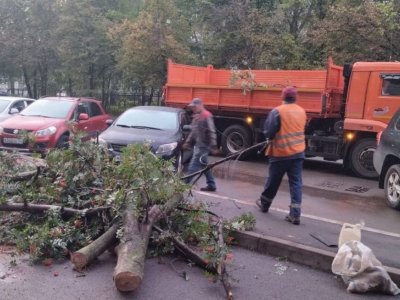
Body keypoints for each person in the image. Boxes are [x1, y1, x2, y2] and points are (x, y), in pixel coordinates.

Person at [256, 86, 306, 225]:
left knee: (273, 180)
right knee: (296, 183)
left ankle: (264, 204)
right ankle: (295, 215)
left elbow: (269, 131)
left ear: (282, 97)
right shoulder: (301, 111)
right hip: (298, 153)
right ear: (295, 98)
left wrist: (268, 137)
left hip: (281, 153)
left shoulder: (277, 111)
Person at [183, 98, 218, 191]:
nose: (193, 109)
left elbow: (212, 131)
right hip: (199, 145)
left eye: (194, 107)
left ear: (200, 105)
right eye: (192, 108)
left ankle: (184, 184)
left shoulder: (206, 115)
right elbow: (193, 132)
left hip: (203, 146)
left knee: (193, 165)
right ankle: (211, 184)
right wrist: (187, 143)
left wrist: (214, 146)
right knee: (204, 165)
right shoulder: (196, 117)